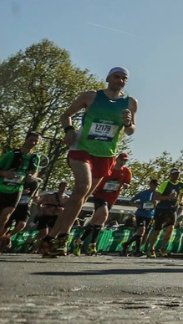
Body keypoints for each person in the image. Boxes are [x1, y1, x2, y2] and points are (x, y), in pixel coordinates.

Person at [44, 67, 138, 257]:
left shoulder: (130, 102)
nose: (120, 80)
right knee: (82, 187)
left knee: (81, 197)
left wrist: (129, 123)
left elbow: (130, 131)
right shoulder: (91, 96)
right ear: (108, 78)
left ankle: (50, 238)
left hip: (105, 154)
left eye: (124, 78)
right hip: (81, 148)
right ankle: (64, 236)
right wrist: (69, 131)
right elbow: (65, 115)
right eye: (116, 76)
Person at [79, 151, 132, 254]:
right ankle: (92, 244)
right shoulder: (109, 167)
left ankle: (80, 241)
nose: (123, 162)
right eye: (121, 159)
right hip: (100, 195)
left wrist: (126, 185)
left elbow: (127, 183)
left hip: (111, 198)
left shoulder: (126, 171)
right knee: (104, 214)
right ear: (117, 158)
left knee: (96, 221)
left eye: (125, 161)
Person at [0, 131, 47, 243]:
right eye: (31, 140)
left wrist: (32, 177)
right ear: (25, 139)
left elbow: (34, 172)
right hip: (2, 188)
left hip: (16, 190)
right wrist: (5, 174)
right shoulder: (12, 154)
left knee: (5, 217)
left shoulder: (35, 158)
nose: (33, 143)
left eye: (36, 141)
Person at [144, 168, 183, 257]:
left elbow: (182, 193)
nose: (176, 176)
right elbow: (156, 197)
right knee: (158, 230)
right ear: (170, 175)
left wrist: (181, 201)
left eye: (177, 174)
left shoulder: (181, 184)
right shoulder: (165, 184)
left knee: (170, 228)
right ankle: (151, 249)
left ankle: (162, 248)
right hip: (162, 209)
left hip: (172, 209)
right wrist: (168, 197)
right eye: (174, 174)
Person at [120, 179, 157, 256]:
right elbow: (131, 201)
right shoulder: (143, 193)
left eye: (156, 185)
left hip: (150, 215)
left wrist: (156, 205)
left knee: (144, 234)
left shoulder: (157, 194)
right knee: (141, 230)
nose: (155, 187)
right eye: (154, 185)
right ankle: (137, 250)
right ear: (150, 184)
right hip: (141, 214)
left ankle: (128, 245)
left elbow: (157, 204)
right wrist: (137, 205)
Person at [33, 183, 68, 248]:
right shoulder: (50, 196)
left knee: (52, 234)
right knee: (44, 233)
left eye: (66, 187)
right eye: (63, 186)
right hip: (45, 216)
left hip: (55, 217)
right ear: (59, 187)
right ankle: (33, 241)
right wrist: (40, 211)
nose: (64, 188)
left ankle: (42, 247)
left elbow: (68, 208)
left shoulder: (67, 198)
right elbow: (39, 203)